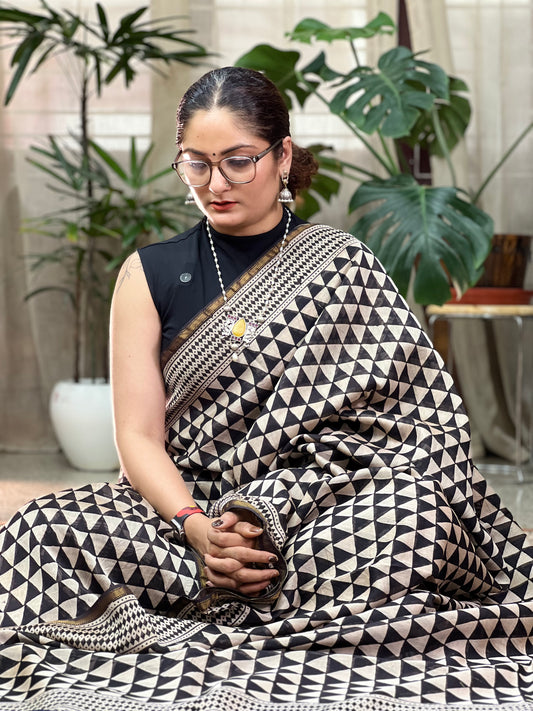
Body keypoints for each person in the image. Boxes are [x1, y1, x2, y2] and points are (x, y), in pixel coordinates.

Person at [0, 66, 533, 710]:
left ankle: (242, 614)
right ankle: (246, 604)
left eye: (237, 162)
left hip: (327, 514)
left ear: (282, 156)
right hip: (181, 522)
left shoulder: (341, 264)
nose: (215, 184)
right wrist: (201, 528)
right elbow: (138, 437)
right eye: (196, 165)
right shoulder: (150, 273)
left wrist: (270, 511)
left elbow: (410, 425)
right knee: (43, 526)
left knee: (414, 521)